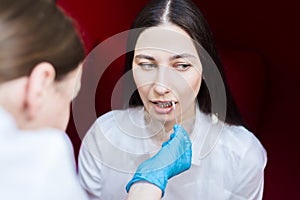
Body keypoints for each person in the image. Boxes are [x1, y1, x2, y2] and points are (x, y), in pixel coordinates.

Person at [0, 0, 191, 199]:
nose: (161, 86)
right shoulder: (44, 156)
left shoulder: (226, 148)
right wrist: (148, 183)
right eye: (69, 99)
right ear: (40, 85)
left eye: (182, 65)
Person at [78, 0, 267, 199]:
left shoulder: (242, 155)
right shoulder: (103, 137)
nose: (161, 87)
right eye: (147, 65)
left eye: (181, 66)